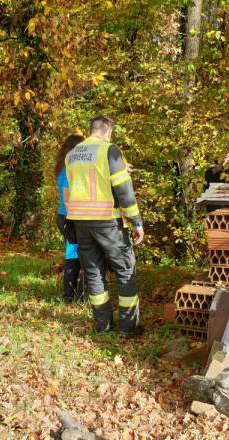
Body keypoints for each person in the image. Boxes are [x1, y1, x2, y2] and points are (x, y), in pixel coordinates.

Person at [64, 116, 145, 339]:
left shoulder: (72, 155)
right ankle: (128, 328)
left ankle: (104, 326)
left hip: (80, 222)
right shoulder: (109, 150)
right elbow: (123, 189)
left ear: (92, 130)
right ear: (108, 132)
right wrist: (136, 222)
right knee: (125, 270)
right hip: (106, 222)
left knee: (93, 272)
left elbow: (86, 182)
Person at [55, 135, 85, 303]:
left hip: (66, 218)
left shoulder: (63, 167)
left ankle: (70, 296)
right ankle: (75, 296)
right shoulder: (68, 169)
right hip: (71, 218)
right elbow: (67, 198)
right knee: (78, 258)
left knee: (73, 257)